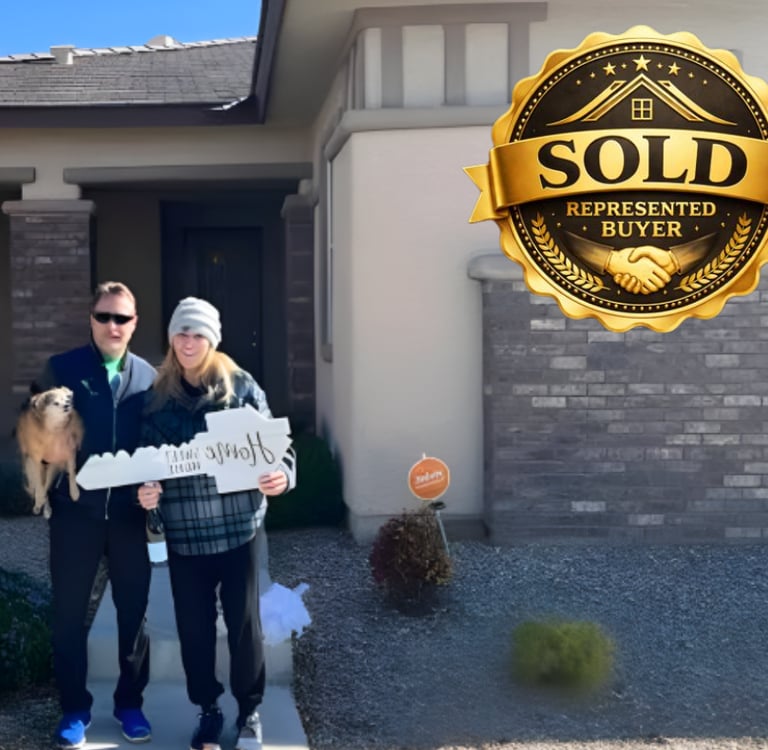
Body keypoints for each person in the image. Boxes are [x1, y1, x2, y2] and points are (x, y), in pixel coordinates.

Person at [137, 297, 296, 750]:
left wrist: (280, 477)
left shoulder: (241, 389)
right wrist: (145, 492)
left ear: (213, 339)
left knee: (244, 624)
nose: (189, 342)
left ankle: (249, 712)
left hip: (238, 528)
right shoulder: (156, 400)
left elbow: (281, 452)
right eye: (181, 333)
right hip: (186, 536)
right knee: (194, 627)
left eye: (198, 334)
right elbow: (146, 464)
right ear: (171, 339)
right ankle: (208, 710)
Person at [33, 281, 157, 749]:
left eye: (121, 318)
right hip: (74, 517)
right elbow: (33, 436)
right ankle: (74, 709)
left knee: (134, 615)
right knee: (67, 616)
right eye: (104, 316)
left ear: (134, 323)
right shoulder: (62, 369)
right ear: (91, 320)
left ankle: (130, 704)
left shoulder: (149, 377)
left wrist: (155, 486)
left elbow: (160, 447)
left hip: (129, 518)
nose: (112, 326)